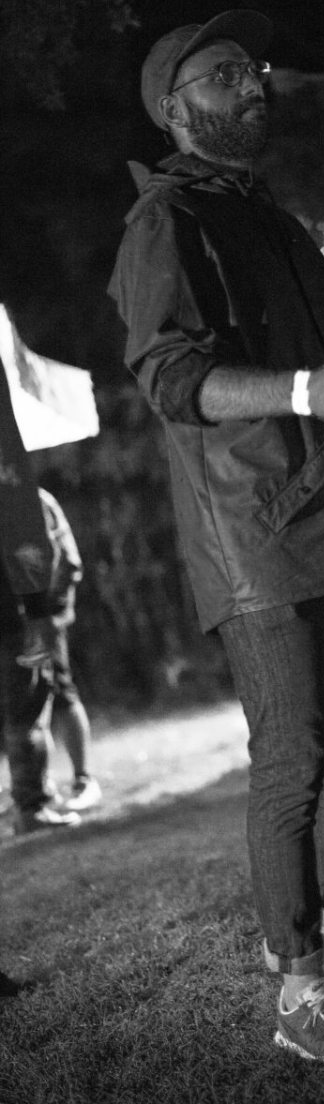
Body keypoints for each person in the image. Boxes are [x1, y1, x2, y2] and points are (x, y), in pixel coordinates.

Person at [108, 9, 324, 1066]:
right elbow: (172, 378)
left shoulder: (273, 221)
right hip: (258, 538)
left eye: (253, 69)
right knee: (294, 757)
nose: (254, 85)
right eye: (225, 75)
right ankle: (298, 988)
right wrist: (303, 390)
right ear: (175, 107)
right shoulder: (167, 223)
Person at [0, 359, 77, 996]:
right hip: (15, 623)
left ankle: (32, 801)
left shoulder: (28, 499)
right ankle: (30, 805)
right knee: (25, 713)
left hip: (22, 620)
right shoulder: (14, 497)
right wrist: (37, 614)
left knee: (32, 709)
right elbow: (38, 555)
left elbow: (59, 556)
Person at [37, 488, 101, 813]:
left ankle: (83, 779)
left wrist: (50, 613)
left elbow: (68, 560)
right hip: (12, 622)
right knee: (26, 706)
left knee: (60, 691)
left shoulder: (35, 499)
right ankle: (38, 787)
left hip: (43, 616)